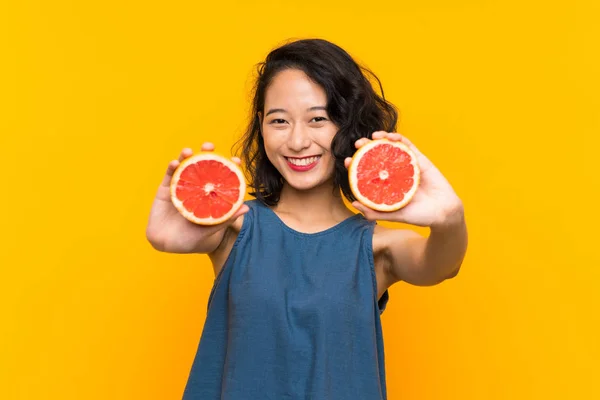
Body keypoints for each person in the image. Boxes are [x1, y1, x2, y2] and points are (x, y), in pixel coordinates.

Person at [146, 38, 468, 400]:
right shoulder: (233, 226)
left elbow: (441, 264)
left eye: (318, 119)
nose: (297, 141)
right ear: (262, 127)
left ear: (348, 124)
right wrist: (170, 234)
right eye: (279, 120)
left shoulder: (377, 248)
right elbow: (194, 236)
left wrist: (450, 217)